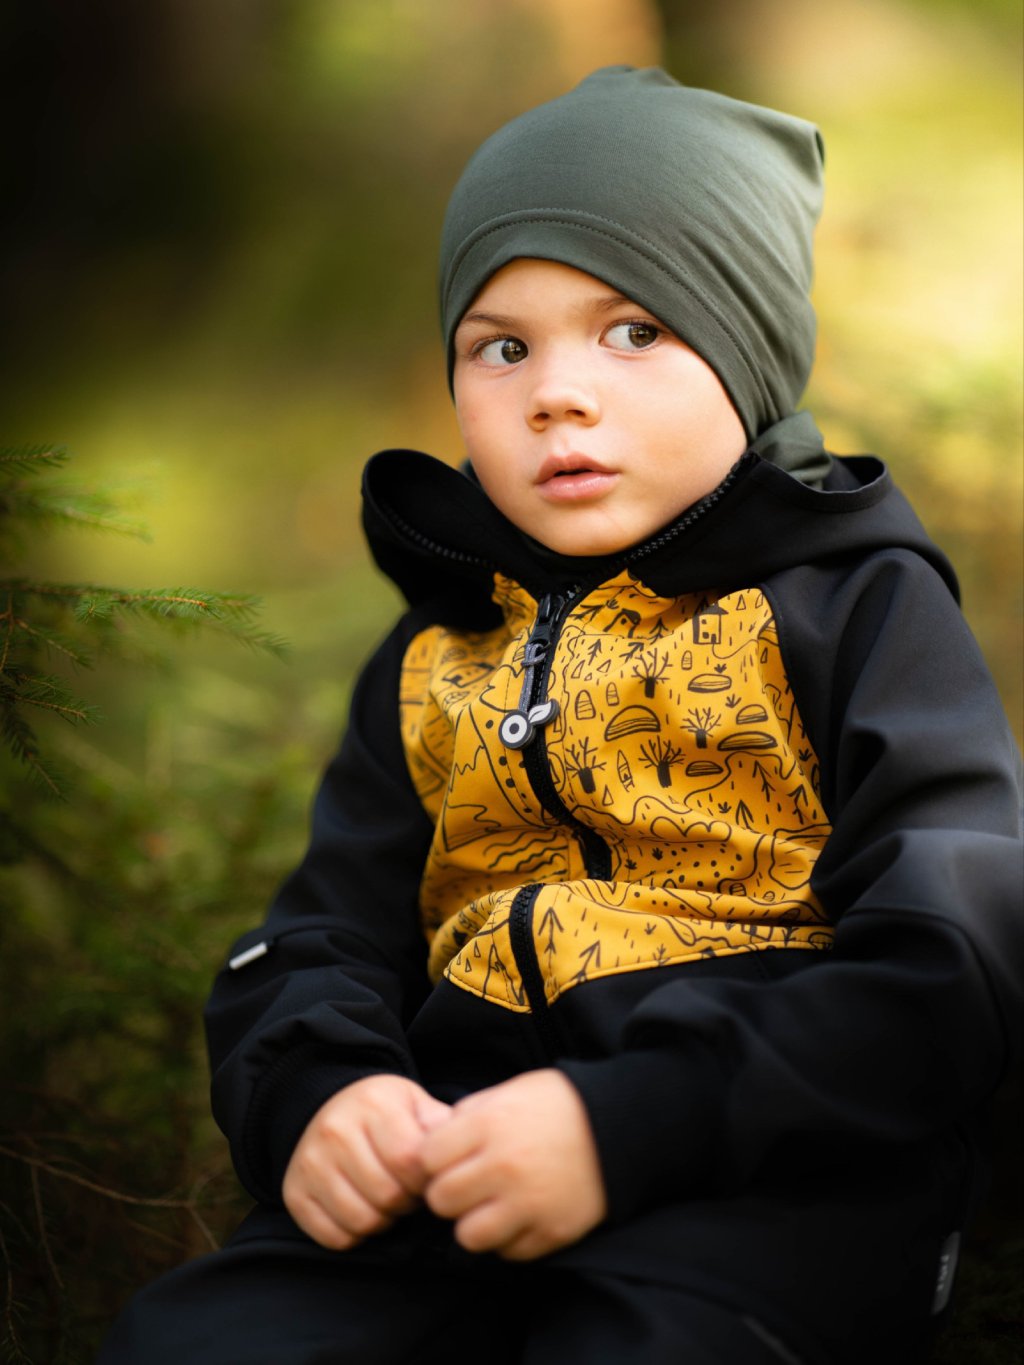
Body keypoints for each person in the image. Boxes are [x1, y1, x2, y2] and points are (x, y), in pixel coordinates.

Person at [98, 65, 1022, 1365]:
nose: (557, 393)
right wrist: (320, 1093)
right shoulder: (439, 650)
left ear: (748, 353)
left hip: (764, 1188)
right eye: (502, 346)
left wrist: (627, 1123)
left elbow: (954, 955)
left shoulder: (855, 609)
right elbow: (322, 931)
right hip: (454, 1168)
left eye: (634, 331)